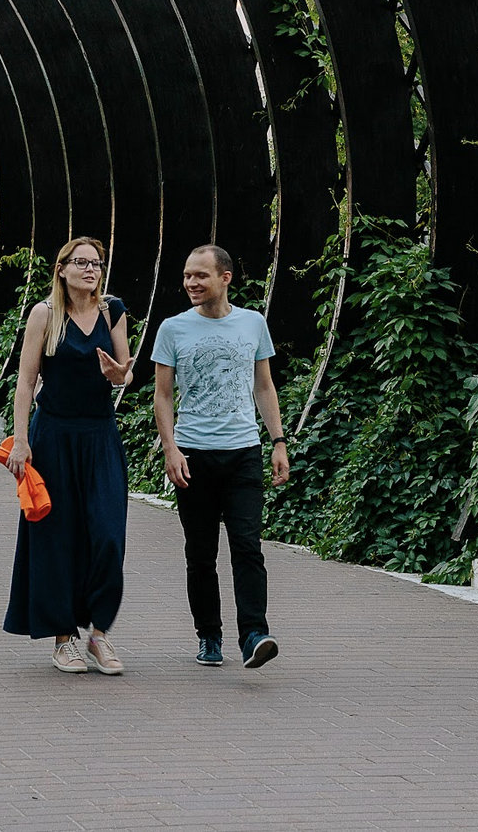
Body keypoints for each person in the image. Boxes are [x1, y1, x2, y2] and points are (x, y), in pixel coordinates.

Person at [153, 243, 288, 670]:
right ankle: (209, 635)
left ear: (225, 277)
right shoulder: (173, 329)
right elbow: (161, 396)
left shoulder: (253, 323)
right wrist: (171, 449)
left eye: (200, 275)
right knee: (201, 552)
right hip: (193, 454)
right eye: (188, 275)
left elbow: (264, 386)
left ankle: (254, 634)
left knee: (248, 546)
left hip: (243, 452)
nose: (191, 282)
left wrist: (278, 441)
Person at [2, 236, 133, 675]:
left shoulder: (113, 310)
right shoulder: (45, 314)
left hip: (99, 436)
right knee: (56, 536)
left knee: (108, 533)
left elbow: (124, 370)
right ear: (62, 269)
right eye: (82, 262)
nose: (91, 269)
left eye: (97, 263)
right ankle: (63, 639)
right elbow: (25, 381)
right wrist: (21, 440)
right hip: (54, 436)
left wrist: (120, 374)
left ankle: (98, 633)